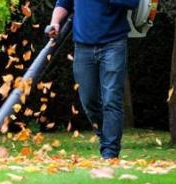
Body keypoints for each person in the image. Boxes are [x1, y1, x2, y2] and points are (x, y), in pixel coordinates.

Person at [48, 0, 140, 159]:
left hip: (113, 44)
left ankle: (110, 153)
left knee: (111, 99)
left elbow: (132, 2)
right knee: (88, 100)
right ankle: (105, 138)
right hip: (83, 47)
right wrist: (55, 23)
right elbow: (63, 3)